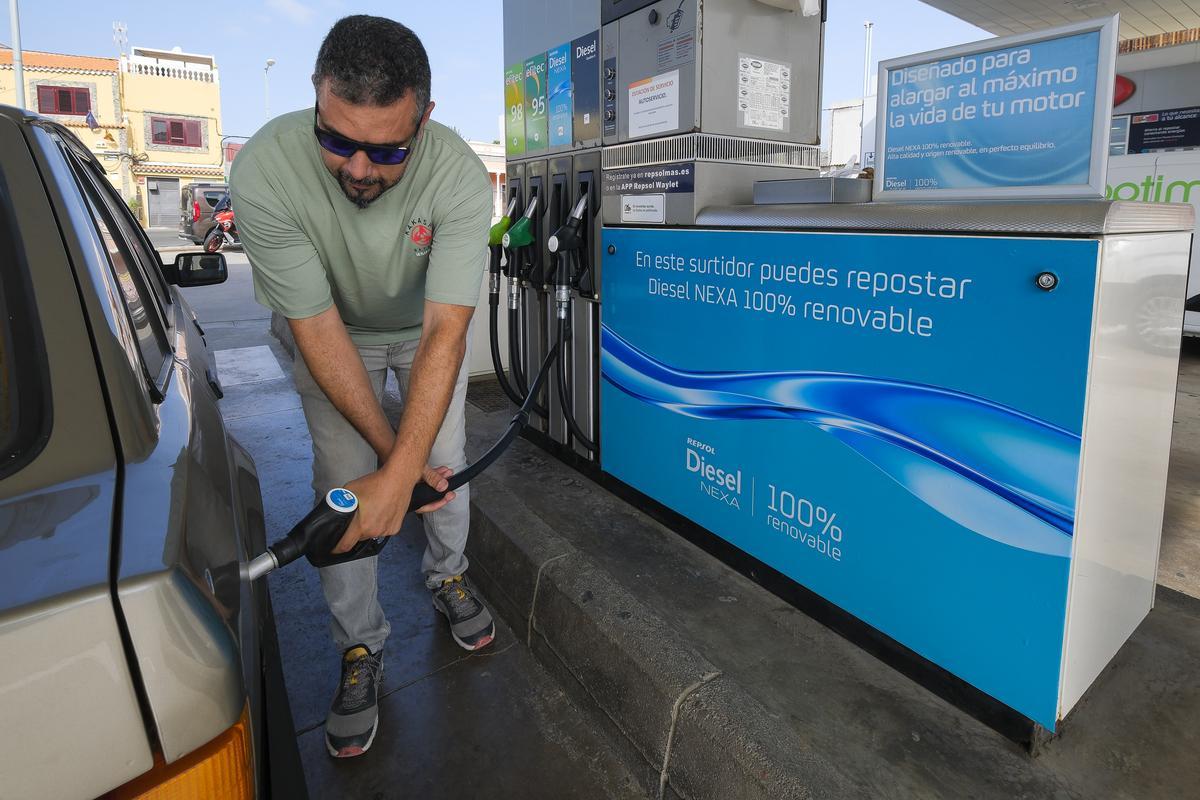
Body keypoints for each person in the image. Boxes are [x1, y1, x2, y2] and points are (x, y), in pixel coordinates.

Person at [230, 14, 495, 759]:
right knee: (346, 485)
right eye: (336, 139)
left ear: (426, 117)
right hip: (330, 334)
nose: (356, 168)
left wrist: (413, 472)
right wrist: (391, 469)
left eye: (385, 151)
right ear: (316, 95)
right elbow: (316, 332)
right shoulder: (264, 172)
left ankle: (449, 575)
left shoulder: (458, 175)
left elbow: (448, 332)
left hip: (420, 334)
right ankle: (359, 643)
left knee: (446, 466)